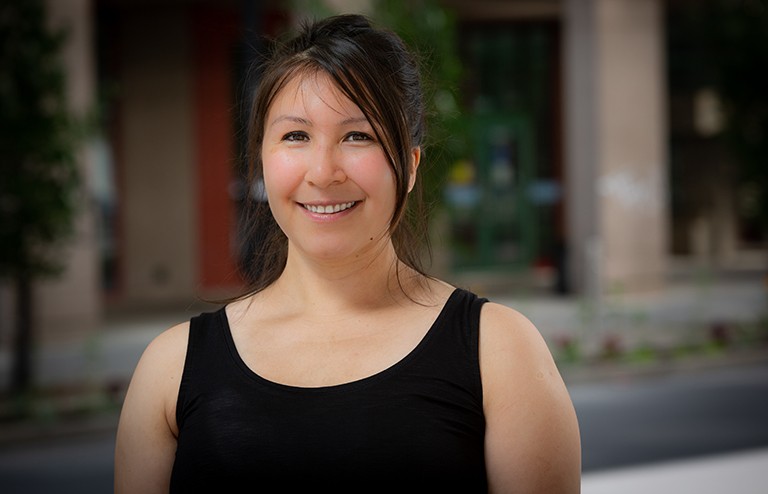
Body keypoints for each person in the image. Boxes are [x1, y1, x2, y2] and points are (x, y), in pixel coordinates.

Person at [114, 14, 581, 493]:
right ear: (262, 160)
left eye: (359, 135)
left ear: (411, 164)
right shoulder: (170, 368)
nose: (323, 171)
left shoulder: (498, 352)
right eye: (295, 136)